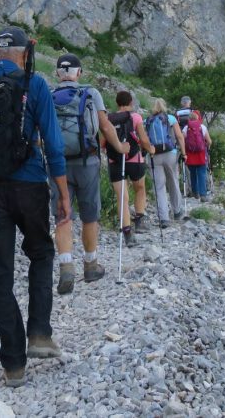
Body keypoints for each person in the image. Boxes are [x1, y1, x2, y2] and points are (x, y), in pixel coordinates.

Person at [0, 26, 71, 388]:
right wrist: (62, 192)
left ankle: (13, 364)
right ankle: (39, 331)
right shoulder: (34, 84)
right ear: (26, 53)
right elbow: (53, 144)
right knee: (40, 252)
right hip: (29, 186)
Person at [50, 53, 129, 294]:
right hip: (88, 161)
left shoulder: (49, 95)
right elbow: (104, 126)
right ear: (79, 73)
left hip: (57, 164)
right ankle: (90, 265)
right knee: (89, 214)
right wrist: (120, 147)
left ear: (58, 74)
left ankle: (65, 267)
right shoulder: (91, 93)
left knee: (63, 214)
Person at [104, 90, 154, 246]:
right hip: (134, 160)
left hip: (115, 161)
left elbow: (101, 142)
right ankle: (139, 220)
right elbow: (143, 139)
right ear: (131, 102)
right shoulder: (136, 117)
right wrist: (151, 149)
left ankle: (127, 232)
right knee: (140, 188)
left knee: (122, 197)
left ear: (117, 103)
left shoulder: (108, 119)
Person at [146, 98, 187, 227]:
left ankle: (164, 218)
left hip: (154, 155)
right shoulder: (170, 118)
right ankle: (177, 211)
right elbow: (180, 136)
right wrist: (184, 153)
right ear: (164, 106)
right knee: (173, 181)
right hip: (171, 154)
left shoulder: (148, 120)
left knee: (159, 187)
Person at [183, 112, 213, 202]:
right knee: (202, 174)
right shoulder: (202, 127)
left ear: (189, 119)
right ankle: (203, 195)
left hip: (190, 154)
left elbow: (182, 139)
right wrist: (206, 146)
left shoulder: (186, 128)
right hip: (201, 154)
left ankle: (195, 193)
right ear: (197, 118)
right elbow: (209, 141)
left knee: (193, 173)